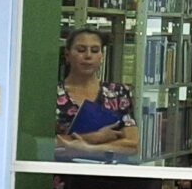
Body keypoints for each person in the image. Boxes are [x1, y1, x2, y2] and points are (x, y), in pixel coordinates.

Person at [55, 27, 137, 160]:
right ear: (67, 54)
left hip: (107, 175)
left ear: (102, 56)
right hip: (63, 174)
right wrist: (95, 137)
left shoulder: (118, 92)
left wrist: (87, 149)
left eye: (95, 50)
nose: (88, 56)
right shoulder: (53, 94)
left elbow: (132, 145)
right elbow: (42, 143)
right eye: (81, 50)